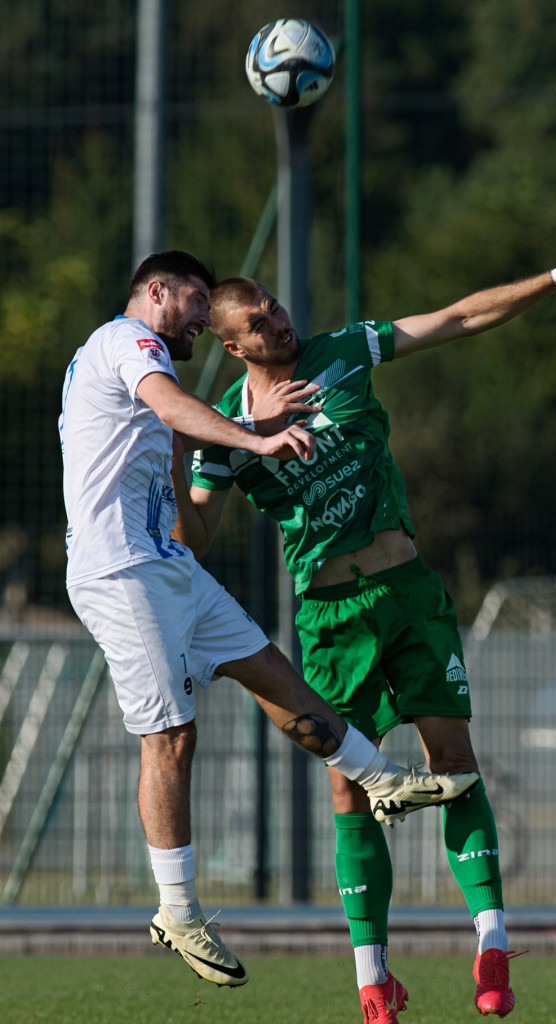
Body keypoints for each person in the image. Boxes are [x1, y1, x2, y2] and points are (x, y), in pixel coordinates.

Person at [173, 238, 556, 1019]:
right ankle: (372, 980)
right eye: (258, 321)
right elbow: (194, 540)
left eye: (277, 307)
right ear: (231, 345)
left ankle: (491, 943)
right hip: (329, 619)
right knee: (351, 788)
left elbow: (457, 318)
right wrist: (188, 446)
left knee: (453, 762)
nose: (278, 324)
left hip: (409, 591)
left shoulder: (345, 352)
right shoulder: (224, 430)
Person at [57, 250, 478, 990]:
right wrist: (254, 437)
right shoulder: (130, 342)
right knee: (172, 736)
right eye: (194, 301)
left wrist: (226, 432)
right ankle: (177, 910)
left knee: (270, 670)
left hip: (165, 563)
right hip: (121, 570)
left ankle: (379, 778)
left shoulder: (135, 357)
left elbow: (177, 442)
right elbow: (167, 405)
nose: (200, 314)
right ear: (158, 291)